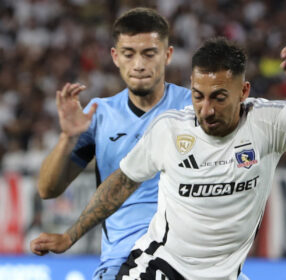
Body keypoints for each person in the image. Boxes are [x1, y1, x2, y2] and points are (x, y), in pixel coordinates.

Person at [31, 38, 286, 279]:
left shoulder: (269, 123)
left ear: (244, 92)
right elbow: (121, 182)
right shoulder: (170, 129)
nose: (206, 109)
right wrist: (69, 236)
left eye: (219, 97)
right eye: (198, 96)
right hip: (163, 267)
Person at [34, 7, 193, 280]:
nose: (139, 64)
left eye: (149, 53)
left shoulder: (193, 107)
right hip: (123, 259)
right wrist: (67, 137)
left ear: (167, 55)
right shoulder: (99, 114)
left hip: (187, 257)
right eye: (129, 54)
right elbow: (48, 189)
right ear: (115, 57)